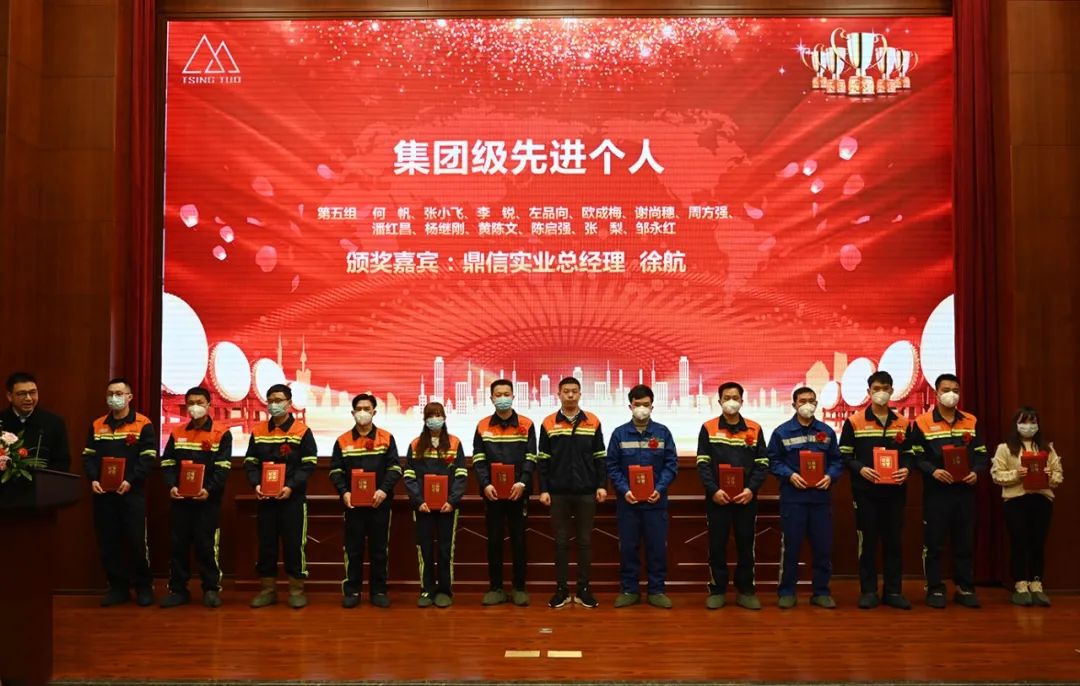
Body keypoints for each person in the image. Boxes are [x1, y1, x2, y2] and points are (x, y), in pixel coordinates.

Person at [909, 373, 987, 609]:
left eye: (955, 390)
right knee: (934, 543)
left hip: (964, 492)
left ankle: (965, 587)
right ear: (936, 393)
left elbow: (982, 454)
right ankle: (934, 588)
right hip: (937, 493)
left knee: (964, 541)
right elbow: (915, 456)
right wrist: (933, 471)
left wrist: (977, 471)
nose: (951, 394)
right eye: (946, 390)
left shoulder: (971, 421)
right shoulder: (922, 422)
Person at [838, 371, 913, 610]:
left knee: (894, 542)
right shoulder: (854, 421)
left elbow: (911, 453)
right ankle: (869, 591)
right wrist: (861, 469)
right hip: (865, 493)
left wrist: (907, 469)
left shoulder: (903, 422)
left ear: (892, 391)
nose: (881, 392)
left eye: (885, 388)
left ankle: (893, 591)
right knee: (867, 542)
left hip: (895, 493)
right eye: (876, 388)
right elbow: (844, 455)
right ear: (869, 392)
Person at [81, 377, 158, 607]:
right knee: (108, 542)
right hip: (103, 494)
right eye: (110, 394)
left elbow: (148, 458)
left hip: (131, 493)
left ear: (129, 397)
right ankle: (118, 588)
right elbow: (88, 456)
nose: (114, 398)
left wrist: (131, 480)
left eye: (119, 393)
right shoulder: (97, 425)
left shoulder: (143, 424)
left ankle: (143, 586)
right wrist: (94, 479)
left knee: (136, 541)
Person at [767, 386, 843, 609]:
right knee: (791, 548)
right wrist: (789, 475)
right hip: (794, 499)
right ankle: (787, 592)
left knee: (823, 548)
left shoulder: (827, 432)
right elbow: (773, 461)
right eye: (802, 401)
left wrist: (830, 476)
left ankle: (821, 591)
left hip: (820, 499)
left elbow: (837, 460)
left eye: (811, 400)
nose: (807, 404)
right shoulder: (782, 432)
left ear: (816, 404)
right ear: (794, 405)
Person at [243, 384, 318, 609]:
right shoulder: (258, 431)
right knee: (266, 545)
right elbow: (250, 462)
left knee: (294, 544)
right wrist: (256, 483)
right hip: (266, 500)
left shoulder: (302, 431)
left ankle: (296, 590)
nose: (274, 404)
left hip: (292, 499)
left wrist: (291, 487)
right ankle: (268, 590)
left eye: (279, 400)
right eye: (271, 400)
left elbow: (309, 464)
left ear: (289, 402)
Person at [696, 381, 768, 610]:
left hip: (746, 499)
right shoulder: (708, 428)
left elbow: (762, 463)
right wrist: (713, 490)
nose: (731, 401)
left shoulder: (755, 429)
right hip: (718, 499)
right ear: (719, 401)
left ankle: (745, 590)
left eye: (735, 397)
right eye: (726, 397)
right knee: (717, 545)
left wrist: (751, 490)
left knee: (746, 545)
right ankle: (717, 589)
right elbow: (703, 463)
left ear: (742, 401)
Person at [159, 386, 232, 609]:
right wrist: (172, 485)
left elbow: (222, 467)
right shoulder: (177, 432)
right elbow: (168, 462)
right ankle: (178, 590)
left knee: (206, 545)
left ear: (209, 405)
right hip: (180, 501)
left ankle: (211, 589)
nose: (195, 407)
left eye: (199, 402)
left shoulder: (221, 433)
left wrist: (208, 489)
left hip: (207, 501)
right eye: (190, 403)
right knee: (178, 546)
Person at [606, 384, 678, 609]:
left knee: (657, 548)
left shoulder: (663, 433)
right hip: (628, 503)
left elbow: (671, 465)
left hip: (656, 503)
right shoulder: (619, 434)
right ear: (630, 406)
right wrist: (625, 490)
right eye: (638, 405)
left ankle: (657, 590)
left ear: (652, 406)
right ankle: (629, 590)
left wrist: (660, 488)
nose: (642, 409)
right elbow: (612, 466)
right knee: (628, 548)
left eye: (646, 405)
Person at [537, 377, 607, 609]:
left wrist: (602, 485)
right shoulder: (548, 423)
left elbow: (600, 457)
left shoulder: (592, 421)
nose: (570, 395)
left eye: (574, 391)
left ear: (580, 394)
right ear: (558, 394)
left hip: (587, 492)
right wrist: (543, 489)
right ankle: (562, 590)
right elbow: (543, 460)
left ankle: (584, 589)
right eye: (566, 391)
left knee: (585, 541)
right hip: (558, 493)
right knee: (560, 542)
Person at [329, 393, 401, 609]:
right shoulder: (342, 440)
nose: (362, 413)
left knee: (379, 549)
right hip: (352, 505)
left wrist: (383, 490)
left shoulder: (386, 438)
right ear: (352, 413)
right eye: (358, 409)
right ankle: (352, 590)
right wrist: (344, 492)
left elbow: (395, 468)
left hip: (379, 504)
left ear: (374, 412)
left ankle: (379, 590)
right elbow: (335, 471)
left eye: (367, 409)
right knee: (353, 549)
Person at [990, 406, 1063, 607]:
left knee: (1038, 543)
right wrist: (1016, 475)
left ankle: (1036, 583)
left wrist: (1050, 476)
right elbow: (996, 475)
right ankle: (1020, 584)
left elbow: (1058, 475)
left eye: (1033, 422)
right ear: (1016, 424)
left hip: (1041, 500)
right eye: (1024, 421)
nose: (1028, 426)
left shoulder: (1047, 448)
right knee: (1019, 542)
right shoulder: (1005, 448)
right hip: (1016, 501)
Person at [472, 379, 536, 607]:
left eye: (506, 394)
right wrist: (485, 484)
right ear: (491, 398)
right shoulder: (482, 426)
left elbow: (531, 457)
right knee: (494, 541)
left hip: (518, 493)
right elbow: (479, 459)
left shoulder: (526, 424)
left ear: (513, 396)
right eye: (498, 395)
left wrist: (523, 483)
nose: (502, 398)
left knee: (519, 540)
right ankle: (496, 588)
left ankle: (519, 587)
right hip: (492, 494)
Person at [402, 402, 467, 608]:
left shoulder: (455, 443)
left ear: (444, 418)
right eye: (431, 415)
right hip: (423, 508)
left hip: (448, 507)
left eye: (438, 415)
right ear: (425, 420)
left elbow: (461, 475)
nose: (435, 419)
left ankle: (445, 591)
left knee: (446, 550)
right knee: (425, 549)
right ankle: (427, 590)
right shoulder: (415, 445)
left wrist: (452, 500)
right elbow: (409, 475)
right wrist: (418, 501)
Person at [2, 371, 70, 471]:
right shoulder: (2, 421)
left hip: (43, 480)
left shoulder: (54, 423)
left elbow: (62, 463)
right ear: (9, 396)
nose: (28, 398)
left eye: (33, 392)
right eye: (22, 394)